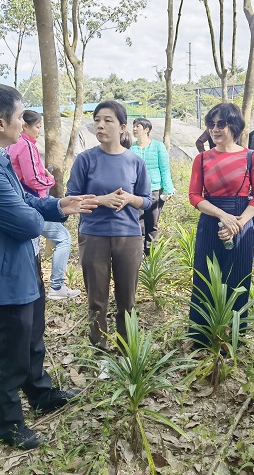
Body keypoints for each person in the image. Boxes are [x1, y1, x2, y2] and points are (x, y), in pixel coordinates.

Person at [0, 84, 95, 450]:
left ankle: (41, 393)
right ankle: (7, 421)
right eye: (19, 117)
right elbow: (27, 222)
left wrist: (60, 204)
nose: (23, 123)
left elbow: (26, 201)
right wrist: (39, 213)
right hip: (4, 277)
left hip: (22, 267)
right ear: (0, 122)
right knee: (9, 353)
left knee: (31, 342)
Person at [67, 101, 151, 351]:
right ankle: (99, 347)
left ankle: (127, 349)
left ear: (123, 127)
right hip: (94, 236)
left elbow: (146, 200)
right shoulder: (85, 160)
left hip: (128, 237)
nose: (100, 125)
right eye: (97, 120)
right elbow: (71, 198)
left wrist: (129, 198)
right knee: (97, 299)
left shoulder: (135, 162)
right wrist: (101, 200)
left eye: (108, 120)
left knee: (127, 299)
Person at [188, 103, 254, 347]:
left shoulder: (251, 157)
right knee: (204, 277)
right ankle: (200, 336)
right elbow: (194, 196)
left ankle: (233, 337)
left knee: (238, 278)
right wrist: (223, 216)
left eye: (220, 124)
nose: (215, 129)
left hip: (242, 222)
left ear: (234, 126)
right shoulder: (202, 159)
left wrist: (240, 221)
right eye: (211, 124)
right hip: (211, 221)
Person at [8, 110, 80, 299]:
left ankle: (36, 286)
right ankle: (56, 286)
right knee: (63, 238)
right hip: (34, 203)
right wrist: (50, 181)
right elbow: (32, 180)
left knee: (33, 245)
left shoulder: (12, 145)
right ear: (25, 126)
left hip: (23, 203)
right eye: (38, 127)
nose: (39, 131)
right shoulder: (26, 146)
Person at [130, 118, 176, 255]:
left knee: (152, 223)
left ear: (146, 129)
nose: (134, 129)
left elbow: (164, 169)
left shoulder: (158, 146)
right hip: (136, 191)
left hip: (155, 190)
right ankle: (138, 253)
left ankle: (151, 254)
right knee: (138, 222)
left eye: (137, 126)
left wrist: (168, 190)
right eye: (133, 126)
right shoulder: (131, 148)